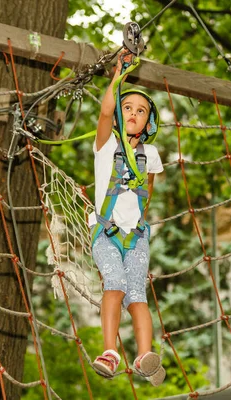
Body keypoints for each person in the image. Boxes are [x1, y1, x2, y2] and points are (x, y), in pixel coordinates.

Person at [89, 50, 165, 386]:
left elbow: (146, 192)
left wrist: (136, 227)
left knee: (137, 293)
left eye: (141, 110)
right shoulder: (105, 146)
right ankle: (109, 350)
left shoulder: (151, 154)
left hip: (136, 236)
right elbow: (106, 111)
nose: (133, 113)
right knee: (115, 282)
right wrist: (118, 74)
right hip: (105, 234)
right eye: (128, 108)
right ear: (120, 117)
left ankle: (145, 355)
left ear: (149, 123)